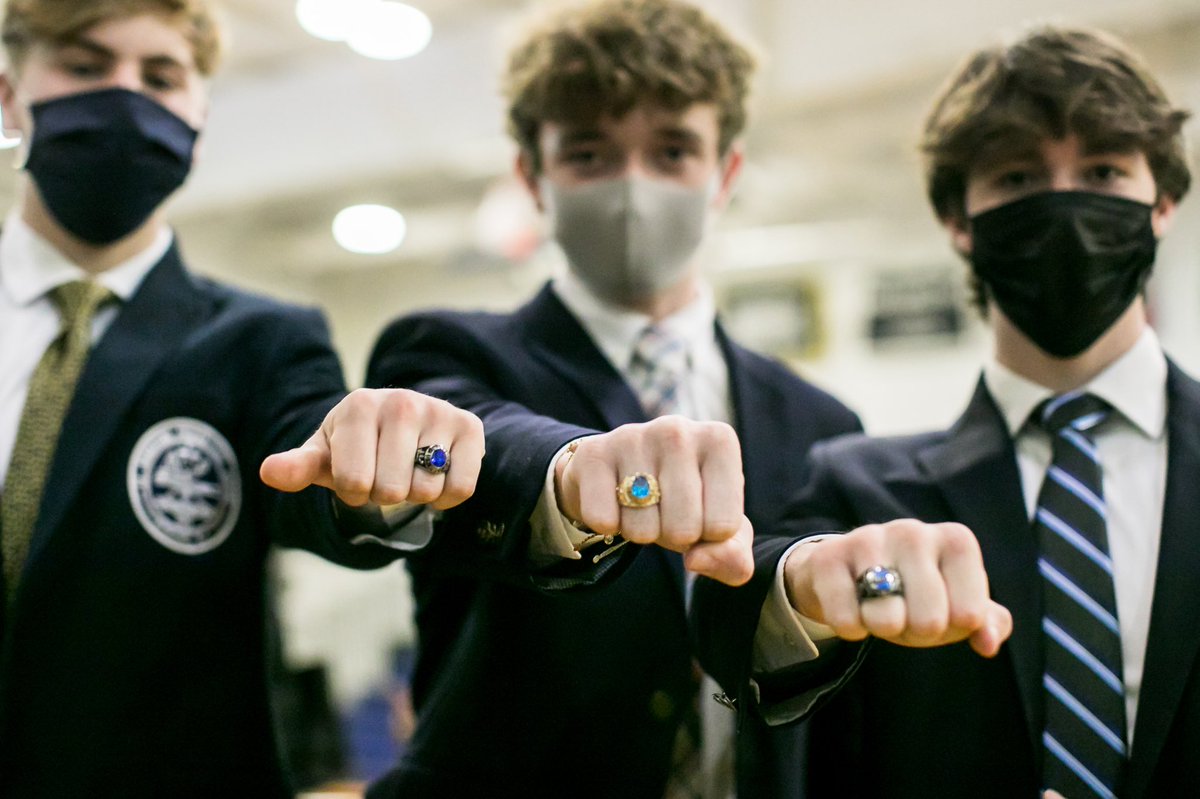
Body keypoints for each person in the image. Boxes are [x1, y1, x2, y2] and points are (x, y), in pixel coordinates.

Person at [362, 1, 862, 796]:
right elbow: (473, 450)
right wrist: (570, 471)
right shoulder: (445, 352)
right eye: (590, 154)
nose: (634, 188)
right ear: (532, 175)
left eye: (673, 151)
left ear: (725, 173)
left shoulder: (823, 423)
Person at [692, 24, 1195, 799]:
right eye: (1020, 179)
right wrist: (807, 586)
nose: (1063, 204)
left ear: (1161, 201)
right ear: (959, 222)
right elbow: (737, 625)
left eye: (1102, 169)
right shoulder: (864, 491)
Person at [0, 1, 485, 796]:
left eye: (161, 76)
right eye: (86, 67)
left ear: (199, 113)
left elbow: (317, 485)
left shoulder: (259, 342)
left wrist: (384, 460)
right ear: (9, 94)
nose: (126, 97)